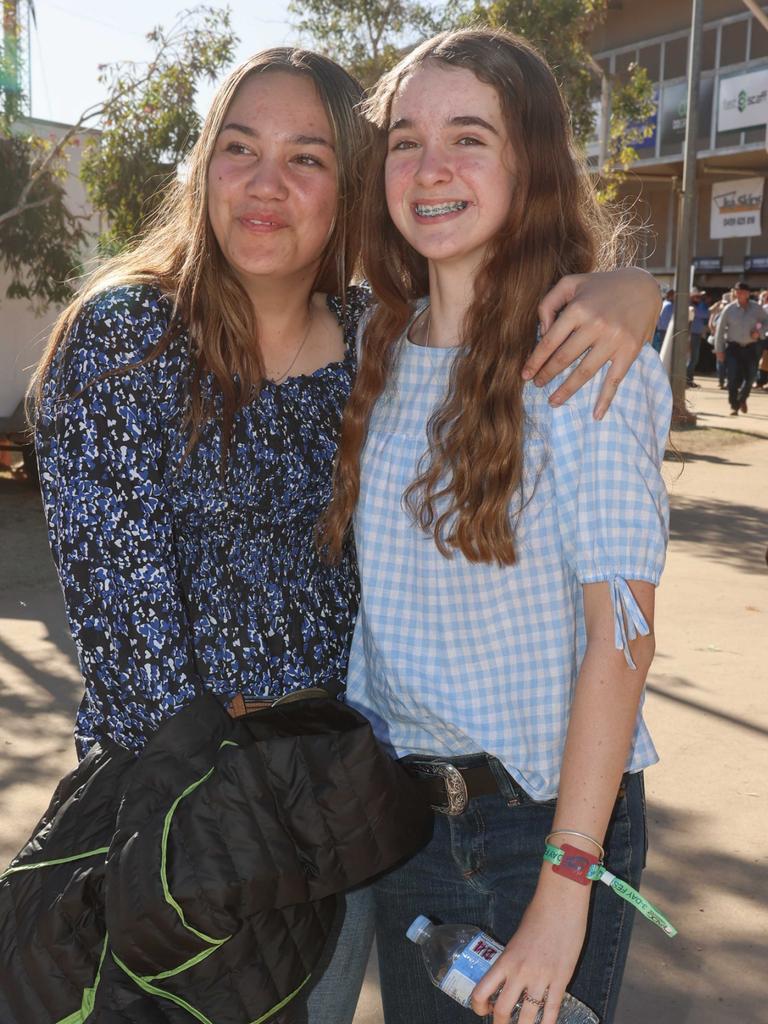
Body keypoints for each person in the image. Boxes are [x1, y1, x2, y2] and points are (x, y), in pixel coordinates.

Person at [31, 44, 661, 1024]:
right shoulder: (139, 344)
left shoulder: (378, 338)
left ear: (345, 189)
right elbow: (136, 659)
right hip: (199, 829)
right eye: (240, 148)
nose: (267, 185)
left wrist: (635, 286)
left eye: (308, 158)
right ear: (203, 169)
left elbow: (617, 631)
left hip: (374, 817)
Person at [321, 29, 672, 1024]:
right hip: (399, 820)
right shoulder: (368, 347)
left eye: (468, 137)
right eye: (405, 140)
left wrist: (567, 884)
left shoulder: (584, 363)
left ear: (531, 166)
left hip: (535, 833)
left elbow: (625, 640)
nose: (431, 168)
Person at [713, 280, 764, 415]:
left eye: (742, 292)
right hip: (733, 348)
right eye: (737, 291)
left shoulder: (757, 309)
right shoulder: (728, 309)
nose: (739, 294)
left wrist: (758, 331)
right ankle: (734, 405)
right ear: (735, 293)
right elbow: (720, 329)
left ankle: (742, 398)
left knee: (751, 376)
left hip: (751, 348)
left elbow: (764, 322)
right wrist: (719, 350)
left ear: (748, 294)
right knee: (733, 377)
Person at [687, 289, 709, 387]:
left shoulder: (700, 305)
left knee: (694, 358)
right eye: (696, 296)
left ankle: (689, 379)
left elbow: (706, 314)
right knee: (691, 358)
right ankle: (687, 380)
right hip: (690, 335)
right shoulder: (689, 305)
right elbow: (703, 314)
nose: (698, 298)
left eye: (699, 297)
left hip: (696, 334)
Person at [653, 287, 674, 351]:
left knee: (659, 348)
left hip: (659, 329)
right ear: (670, 295)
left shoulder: (663, 303)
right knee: (663, 349)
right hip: (665, 330)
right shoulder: (669, 305)